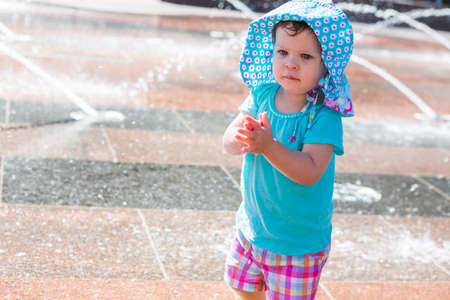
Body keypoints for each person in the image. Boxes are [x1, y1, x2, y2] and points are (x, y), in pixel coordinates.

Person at [222, 0, 354, 299]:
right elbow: (228, 140)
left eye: (305, 56)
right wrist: (241, 137)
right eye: (282, 52)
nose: (290, 63)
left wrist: (268, 146)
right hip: (253, 227)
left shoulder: (323, 114)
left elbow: (309, 171)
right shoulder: (263, 94)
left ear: (326, 65)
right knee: (241, 285)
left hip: (297, 242)